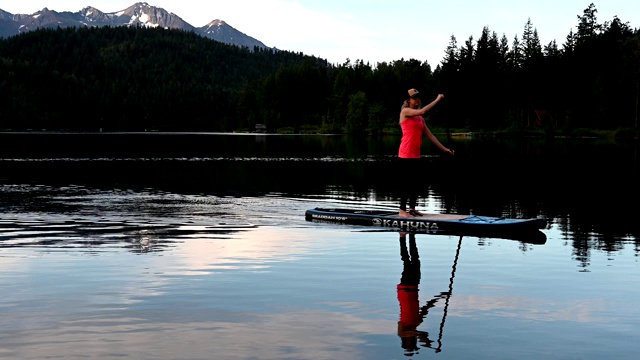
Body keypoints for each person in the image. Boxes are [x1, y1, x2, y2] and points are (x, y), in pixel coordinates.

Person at [398, 88, 454, 217]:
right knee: (406, 183)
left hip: (416, 155)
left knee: (416, 183)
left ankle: (412, 208)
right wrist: (438, 99)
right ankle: (402, 211)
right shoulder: (405, 112)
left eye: (418, 98)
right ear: (408, 100)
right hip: (405, 154)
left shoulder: (420, 119)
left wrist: (444, 149)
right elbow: (423, 111)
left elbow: (431, 136)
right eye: (414, 98)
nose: (417, 100)